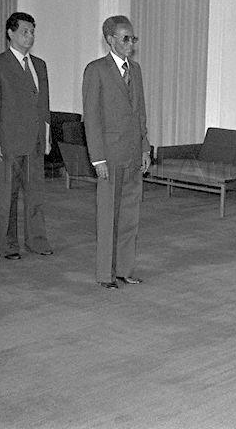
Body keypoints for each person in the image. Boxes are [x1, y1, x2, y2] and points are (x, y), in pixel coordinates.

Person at [82, 15, 151, 289]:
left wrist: (146, 148)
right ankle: (105, 274)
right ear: (110, 39)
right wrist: (97, 157)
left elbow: (141, 114)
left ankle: (124, 269)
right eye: (125, 38)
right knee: (108, 216)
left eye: (133, 38)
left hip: (134, 155)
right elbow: (92, 117)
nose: (131, 44)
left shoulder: (136, 69)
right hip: (109, 156)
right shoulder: (96, 70)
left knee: (130, 216)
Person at [0, 12, 53, 260]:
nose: (30, 36)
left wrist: (46, 135)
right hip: (8, 142)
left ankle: (37, 241)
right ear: (10, 33)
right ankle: (7, 244)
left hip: (34, 141)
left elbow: (43, 104)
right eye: (25, 31)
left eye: (32, 31)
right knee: (8, 196)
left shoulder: (40, 65)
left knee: (35, 195)